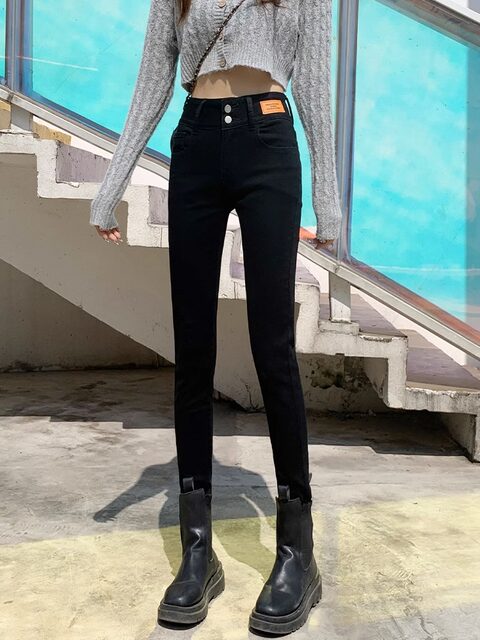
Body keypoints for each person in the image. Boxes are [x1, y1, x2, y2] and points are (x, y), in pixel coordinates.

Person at [89, 0, 342, 634]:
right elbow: (154, 78)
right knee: (193, 349)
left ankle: (297, 554)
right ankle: (197, 553)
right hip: (197, 142)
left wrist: (330, 201)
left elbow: (314, 84)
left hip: (268, 142)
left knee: (272, 347)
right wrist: (111, 185)